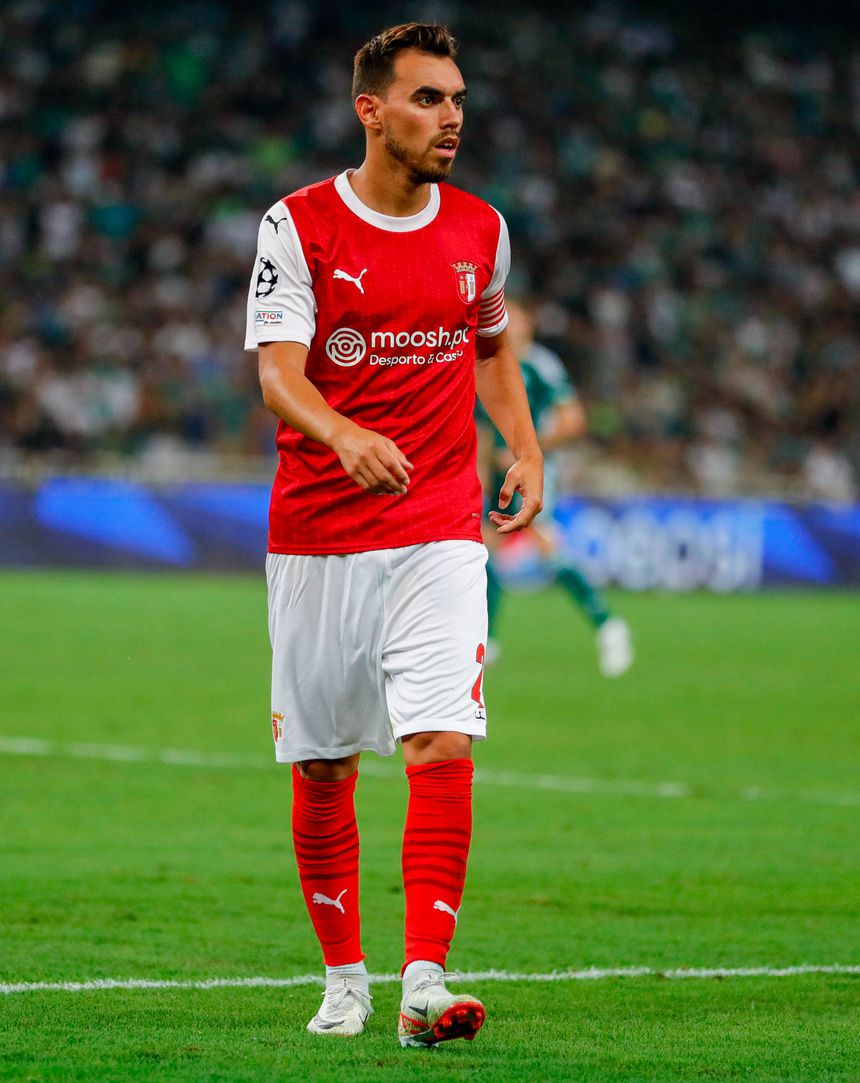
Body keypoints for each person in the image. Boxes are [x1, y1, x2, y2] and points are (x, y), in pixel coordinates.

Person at [244, 23, 542, 1049]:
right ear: (370, 111)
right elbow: (278, 374)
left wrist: (525, 448)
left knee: (441, 739)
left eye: (456, 98)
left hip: (439, 525)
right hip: (318, 532)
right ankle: (344, 981)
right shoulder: (298, 225)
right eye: (426, 98)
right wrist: (341, 432)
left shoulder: (482, 229)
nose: (450, 117)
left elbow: (490, 347)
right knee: (325, 766)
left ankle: (423, 980)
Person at [476, 297, 634, 677]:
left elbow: (572, 420)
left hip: (534, 472)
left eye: (515, 321)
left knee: (543, 542)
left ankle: (607, 624)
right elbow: (481, 428)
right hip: (498, 474)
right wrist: (480, 473)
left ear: (528, 326)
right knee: (485, 547)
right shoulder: (485, 365)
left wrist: (529, 450)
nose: (508, 327)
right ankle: (488, 639)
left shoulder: (539, 365)